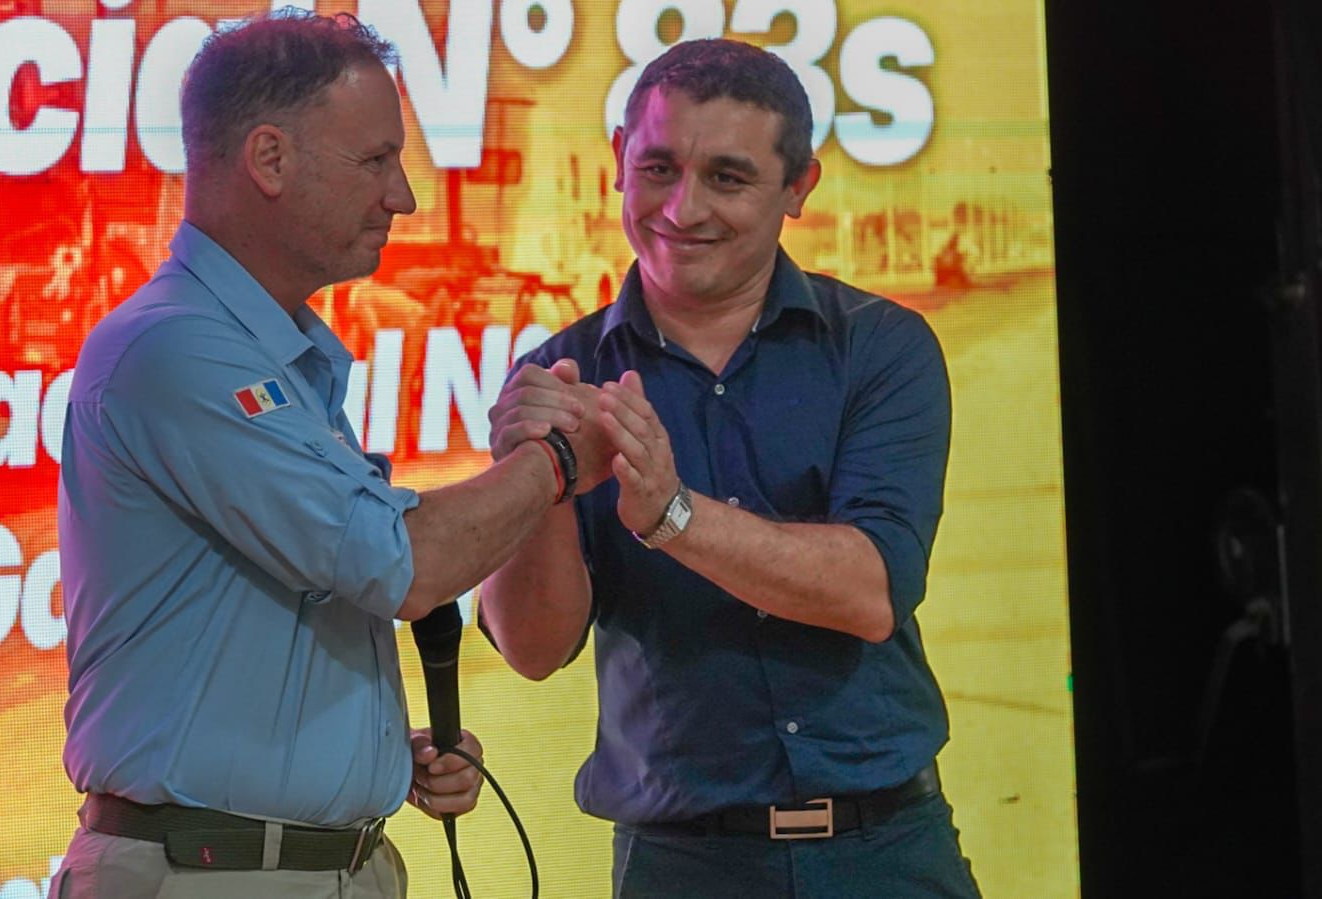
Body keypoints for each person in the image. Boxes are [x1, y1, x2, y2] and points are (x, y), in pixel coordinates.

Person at [50, 12, 609, 898]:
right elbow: (402, 563)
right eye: (376, 160)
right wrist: (560, 460)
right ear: (269, 159)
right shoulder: (176, 348)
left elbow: (291, 609)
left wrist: (371, 757)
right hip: (212, 876)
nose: (403, 197)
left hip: (304, 865)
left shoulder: (274, 358)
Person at [480, 39, 980, 897]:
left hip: (887, 849)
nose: (684, 208)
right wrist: (542, 484)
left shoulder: (879, 347)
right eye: (659, 168)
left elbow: (870, 589)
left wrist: (672, 514)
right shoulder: (560, 376)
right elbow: (532, 648)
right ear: (618, 159)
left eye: (728, 177)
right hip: (681, 862)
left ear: (799, 188)